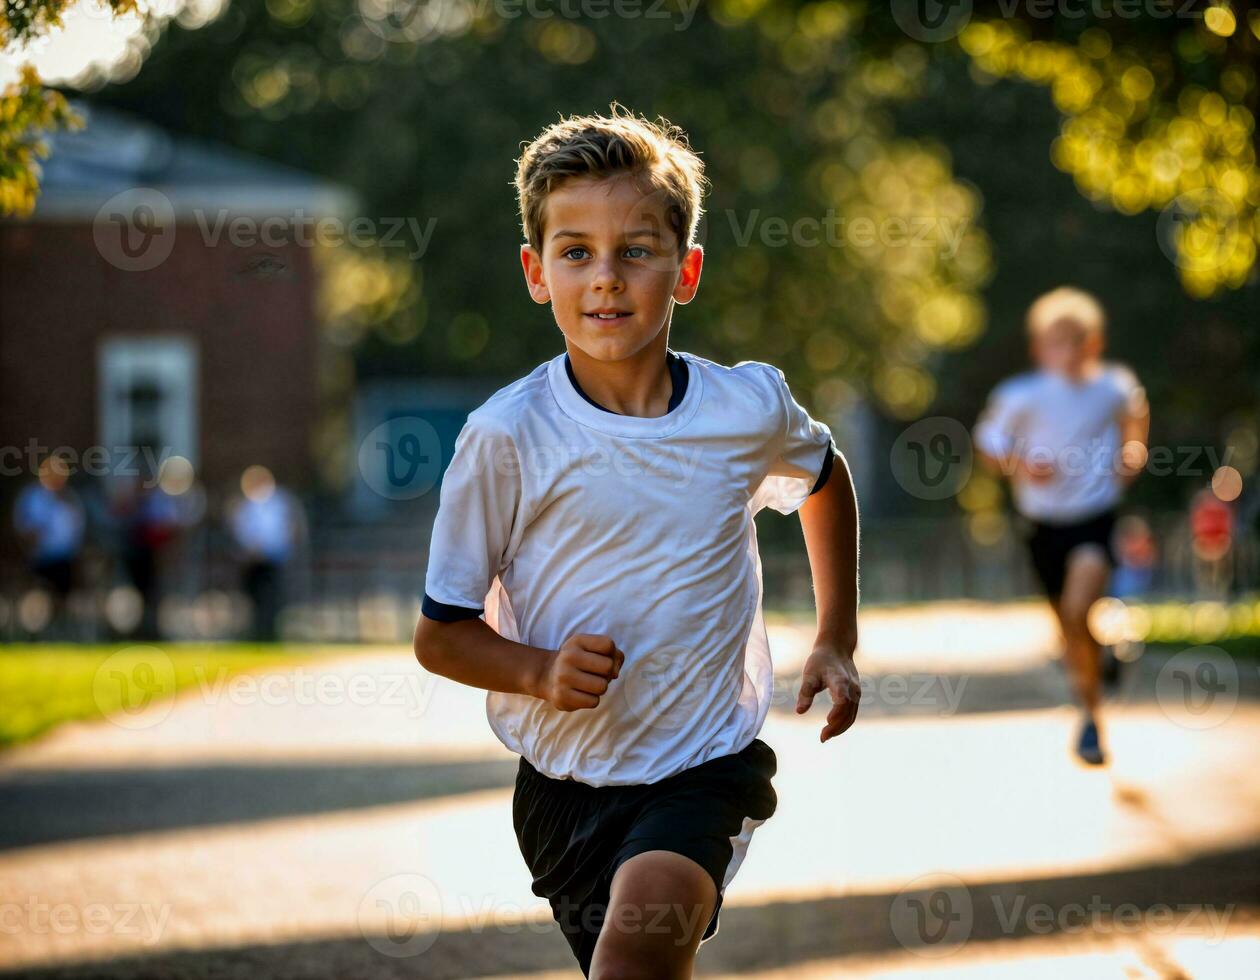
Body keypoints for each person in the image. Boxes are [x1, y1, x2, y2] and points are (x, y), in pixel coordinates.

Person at [413, 107, 861, 979]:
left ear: (685, 270)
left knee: (637, 955)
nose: (606, 279)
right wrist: (538, 671)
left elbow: (824, 476)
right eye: (575, 251)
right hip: (560, 793)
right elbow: (440, 634)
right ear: (536, 273)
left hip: (705, 768)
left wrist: (835, 636)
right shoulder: (505, 438)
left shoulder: (747, 409)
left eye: (637, 251)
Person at [974, 286, 1149, 766]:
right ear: (1039, 348)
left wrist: (1133, 451)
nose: (1067, 351)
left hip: (1094, 516)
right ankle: (1100, 670)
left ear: (1094, 343)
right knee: (1069, 627)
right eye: (1056, 341)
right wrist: (1020, 462)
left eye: (1076, 340)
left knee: (1077, 610)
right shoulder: (1020, 396)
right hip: (1041, 524)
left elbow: (1136, 411)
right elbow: (988, 443)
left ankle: (1091, 724)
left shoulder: (1112, 386)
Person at [228, 465, 304, 641]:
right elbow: (240, 531)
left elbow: (289, 528)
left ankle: (271, 630)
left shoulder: (279, 502)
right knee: (254, 597)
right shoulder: (245, 506)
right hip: (252, 560)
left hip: (274, 557)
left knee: (274, 597)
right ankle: (256, 630)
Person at [12, 455, 85, 635]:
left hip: (64, 557)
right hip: (38, 558)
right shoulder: (32, 497)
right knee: (38, 594)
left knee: (65, 593)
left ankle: (61, 629)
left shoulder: (70, 499)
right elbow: (23, 528)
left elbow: (76, 529)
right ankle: (35, 631)